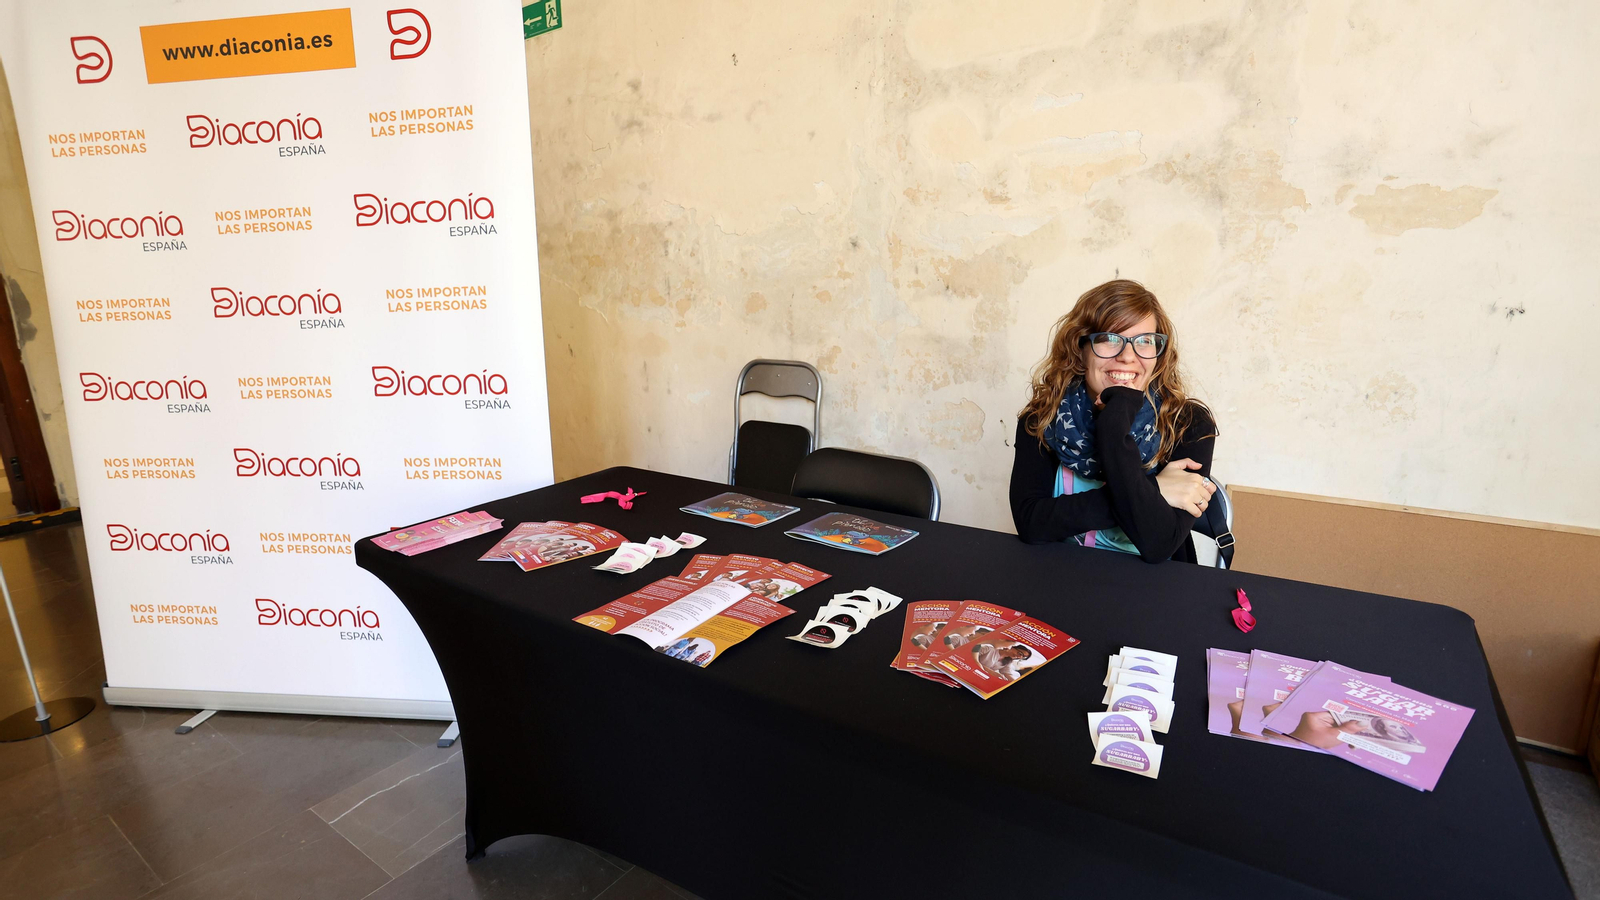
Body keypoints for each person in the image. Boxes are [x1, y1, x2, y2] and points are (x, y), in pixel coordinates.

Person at [1009, 279, 1218, 563]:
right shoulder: (1043, 418)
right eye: (1110, 339)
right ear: (1080, 350)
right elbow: (1031, 523)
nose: (1128, 357)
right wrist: (1155, 489)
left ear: (1159, 355)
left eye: (1145, 341)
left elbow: (1158, 543)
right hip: (1060, 573)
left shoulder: (1189, 424)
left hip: (1153, 584)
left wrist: (1113, 424)